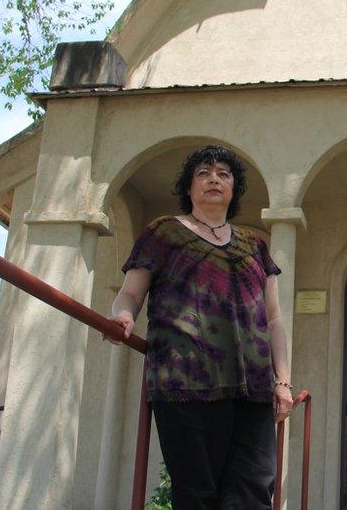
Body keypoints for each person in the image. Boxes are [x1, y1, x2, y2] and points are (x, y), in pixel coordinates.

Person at [107, 145, 293, 509]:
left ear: (234, 189)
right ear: (189, 188)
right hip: (186, 383)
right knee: (197, 496)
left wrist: (282, 381)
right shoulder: (163, 233)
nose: (214, 179)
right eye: (204, 173)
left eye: (224, 174)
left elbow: (273, 317)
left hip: (253, 390)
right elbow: (130, 293)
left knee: (253, 495)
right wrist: (123, 316)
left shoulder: (255, 246)